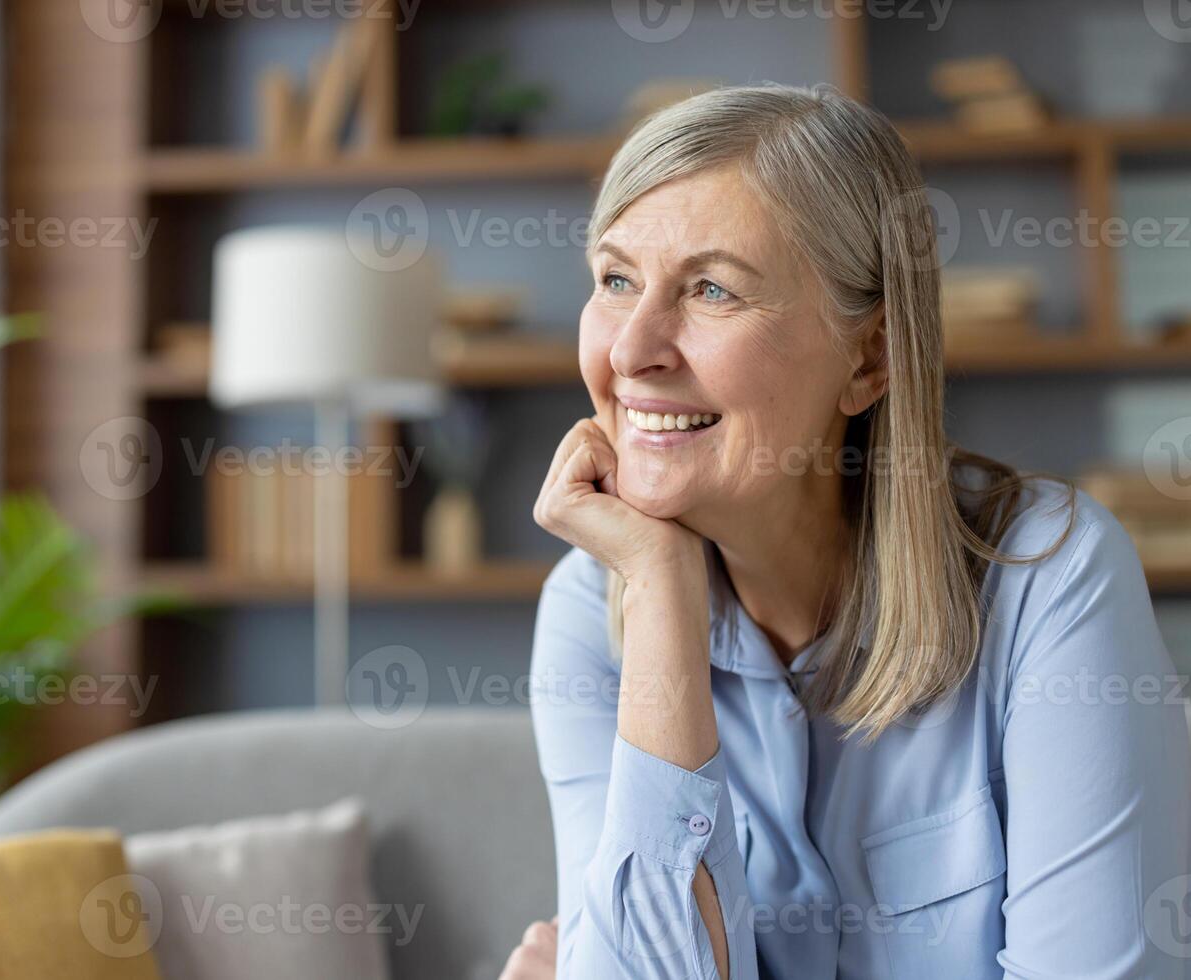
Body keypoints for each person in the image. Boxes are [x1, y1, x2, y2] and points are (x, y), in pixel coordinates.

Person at [502, 83, 1191, 979]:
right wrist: (663, 593)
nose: (633, 350)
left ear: (867, 358)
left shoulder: (1050, 577)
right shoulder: (590, 610)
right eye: (616, 279)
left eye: (711, 289)